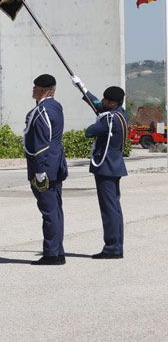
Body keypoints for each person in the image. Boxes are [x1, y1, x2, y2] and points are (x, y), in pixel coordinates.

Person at [73, 78, 128, 260]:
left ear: (112, 103)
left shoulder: (109, 119)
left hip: (105, 167)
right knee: (115, 208)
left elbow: (90, 131)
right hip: (115, 166)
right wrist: (83, 89)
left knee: (109, 209)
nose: (102, 102)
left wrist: (99, 118)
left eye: (105, 100)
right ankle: (116, 245)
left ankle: (112, 247)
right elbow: (98, 106)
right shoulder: (121, 114)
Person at [24, 74, 69, 266]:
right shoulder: (55, 106)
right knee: (55, 210)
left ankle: (52, 254)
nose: (32, 90)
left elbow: (42, 142)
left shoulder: (42, 110)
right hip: (56, 164)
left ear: (43, 90)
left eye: (35, 87)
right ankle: (57, 251)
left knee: (49, 211)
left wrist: (40, 170)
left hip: (44, 167)